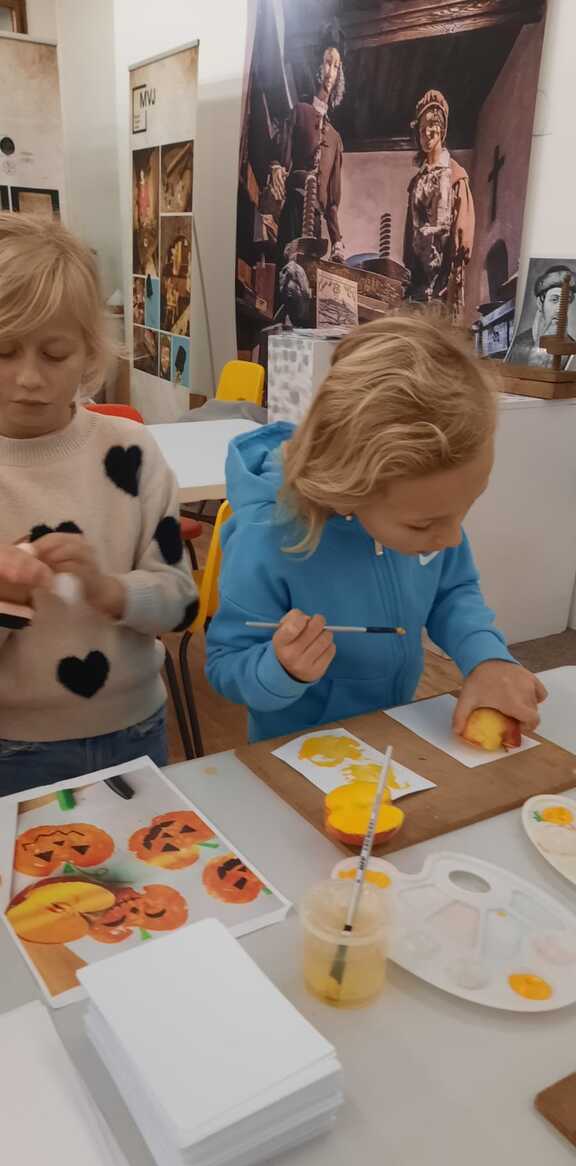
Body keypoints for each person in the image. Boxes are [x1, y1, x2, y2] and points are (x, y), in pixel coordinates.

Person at [206, 312, 546, 743]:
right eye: (423, 525)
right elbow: (225, 664)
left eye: (465, 511)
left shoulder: (432, 514)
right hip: (297, 752)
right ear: (348, 491)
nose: (450, 538)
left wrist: (486, 657)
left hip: (392, 732)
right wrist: (281, 670)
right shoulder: (267, 537)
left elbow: (452, 593)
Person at [0, 212, 198, 795]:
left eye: (54, 354)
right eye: (3, 351)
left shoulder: (131, 452)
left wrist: (109, 590)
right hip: (13, 747)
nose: (28, 378)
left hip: (134, 731)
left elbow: (181, 602)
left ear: (89, 353)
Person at [270, 45, 346, 272]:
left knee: (308, 282)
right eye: (327, 62)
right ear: (318, 67)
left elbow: (331, 204)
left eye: (336, 66)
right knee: (286, 277)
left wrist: (337, 240)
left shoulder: (335, 139)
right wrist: (276, 167)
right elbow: (280, 157)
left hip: (315, 223)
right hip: (294, 208)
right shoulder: (300, 112)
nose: (331, 71)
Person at [404, 90, 475, 317]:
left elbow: (463, 233)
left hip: (444, 278)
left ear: (442, 129)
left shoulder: (455, 176)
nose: (427, 132)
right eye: (422, 128)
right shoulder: (417, 182)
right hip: (417, 279)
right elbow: (410, 232)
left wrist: (454, 274)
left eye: (432, 125)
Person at [507, 265, 576, 368]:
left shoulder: (572, 347)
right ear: (540, 303)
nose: (560, 309)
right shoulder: (519, 344)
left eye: (566, 300)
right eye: (554, 300)